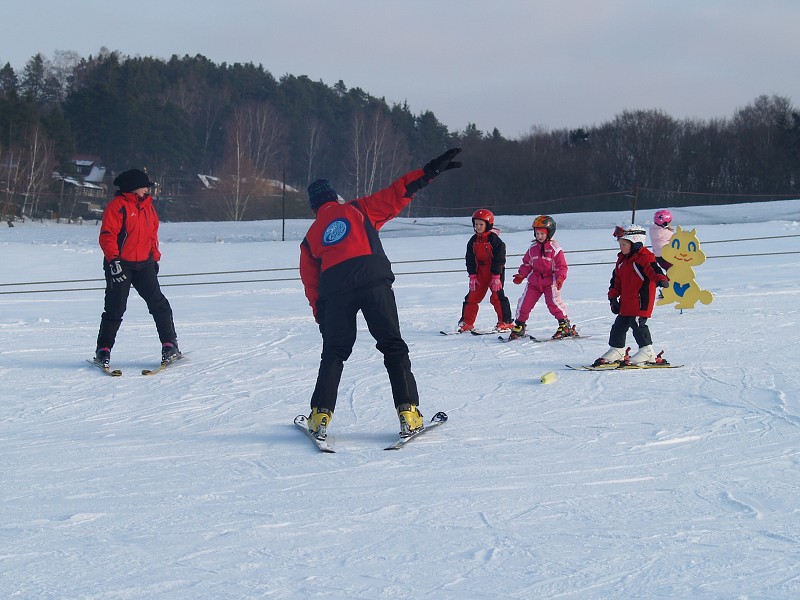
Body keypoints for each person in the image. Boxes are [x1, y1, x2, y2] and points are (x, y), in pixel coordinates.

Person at [299, 148, 462, 440]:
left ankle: (319, 416)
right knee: (392, 346)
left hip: (336, 290)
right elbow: (397, 194)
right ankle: (409, 414)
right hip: (373, 279)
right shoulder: (357, 209)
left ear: (314, 207)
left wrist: (320, 312)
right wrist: (428, 174)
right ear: (334, 198)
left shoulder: (311, 236)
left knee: (334, 353)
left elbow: (310, 281)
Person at [94, 169, 179, 367]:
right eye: (144, 187)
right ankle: (103, 350)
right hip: (120, 264)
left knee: (159, 304)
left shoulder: (148, 206)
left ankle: (170, 344)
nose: (147, 190)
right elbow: (107, 236)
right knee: (115, 308)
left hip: (144, 264)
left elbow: (152, 234)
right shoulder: (117, 207)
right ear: (133, 188)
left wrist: (155, 258)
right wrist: (114, 262)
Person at [594, 224, 669, 366]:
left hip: (641, 300)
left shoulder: (645, 257)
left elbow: (653, 269)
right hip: (626, 302)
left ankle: (647, 351)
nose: (621, 247)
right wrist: (612, 297)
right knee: (618, 326)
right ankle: (617, 350)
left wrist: (661, 279)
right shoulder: (622, 260)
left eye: (624, 244)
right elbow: (616, 280)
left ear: (636, 243)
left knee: (638, 324)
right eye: (620, 244)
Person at [507, 215, 572, 340]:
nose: (539, 236)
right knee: (524, 303)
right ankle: (520, 325)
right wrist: (521, 274)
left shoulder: (555, 249)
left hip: (550, 281)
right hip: (534, 282)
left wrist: (560, 278)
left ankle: (564, 324)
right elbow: (527, 263)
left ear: (549, 233)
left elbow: (561, 266)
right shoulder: (532, 249)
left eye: (542, 233)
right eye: (537, 233)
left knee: (553, 303)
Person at [456, 209, 513, 333]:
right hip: (479, 272)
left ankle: (505, 321)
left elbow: (499, 258)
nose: (478, 227)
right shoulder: (473, 241)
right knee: (472, 297)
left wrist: (497, 275)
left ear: (488, 225)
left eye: (481, 224)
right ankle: (467, 323)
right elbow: (470, 259)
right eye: (476, 224)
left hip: (494, 272)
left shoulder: (495, 241)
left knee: (497, 296)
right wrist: (472, 275)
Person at [650, 209, 675, 298]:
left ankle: (667, 287)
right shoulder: (667, 233)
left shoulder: (653, 230)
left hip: (659, 257)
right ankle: (667, 289)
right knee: (674, 271)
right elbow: (676, 238)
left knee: (671, 271)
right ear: (665, 223)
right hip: (666, 256)